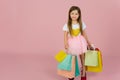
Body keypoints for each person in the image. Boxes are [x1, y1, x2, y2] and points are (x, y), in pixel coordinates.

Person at [62, 6, 94, 80]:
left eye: (76, 14)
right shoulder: (67, 24)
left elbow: (84, 34)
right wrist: (65, 43)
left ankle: (83, 72)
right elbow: (65, 35)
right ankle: (71, 73)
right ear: (69, 14)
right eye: (72, 13)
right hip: (72, 43)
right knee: (72, 59)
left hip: (80, 42)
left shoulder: (81, 23)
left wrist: (89, 43)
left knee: (82, 57)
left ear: (79, 15)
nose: (74, 15)